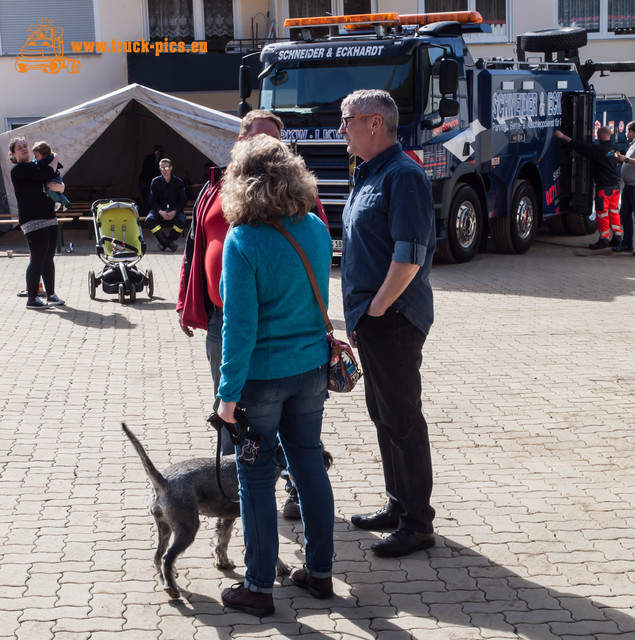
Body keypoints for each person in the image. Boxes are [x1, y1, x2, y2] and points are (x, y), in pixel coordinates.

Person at [176, 109, 328, 518]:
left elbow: (313, 267)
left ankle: (269, 513)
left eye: (273, 140)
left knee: (247, 420)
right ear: (239, 141)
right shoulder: (213, 189)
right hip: (223, 320)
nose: (265, 145)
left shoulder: (297, 208)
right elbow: (194, 249)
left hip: (266, 334)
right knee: (242, 427)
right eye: (258, 137)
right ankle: (232, 498)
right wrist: (185, 301)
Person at [216, 135, 334, 617]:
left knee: (256, 482)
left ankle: (259, 587)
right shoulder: (315, 228)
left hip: (262, 381)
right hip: (310, 371)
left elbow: (238, 326)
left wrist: (227, 395)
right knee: (308, 469)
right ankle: (321, 574)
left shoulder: (242, 240)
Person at [339, 89, 437, 557]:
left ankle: (418, 523)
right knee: (384, 416)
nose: (341, 129)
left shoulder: (404, 175)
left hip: (394, 318)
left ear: (375, 123)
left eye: (347, 120)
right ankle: (398, 506)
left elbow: (410, 255)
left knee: (403, 420)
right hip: (374, 318)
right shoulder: (368, 172)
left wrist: (377, 308)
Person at [8, 138, 66, 309]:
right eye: (19, 148)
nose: (24, 149)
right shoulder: (18, 169)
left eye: (25, 146)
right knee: (38, 258)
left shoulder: (36, 164)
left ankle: (51, 295)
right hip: (32, 219)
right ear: (13, 154)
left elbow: (54, 179)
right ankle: (32, 299)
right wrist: (54, 156)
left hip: (49, 216)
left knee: (49, 258)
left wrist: (61, 188)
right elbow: (46, 173)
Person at [555, 126, 622, 250]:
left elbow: (580, 146)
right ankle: (618, 236)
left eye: (597, 134)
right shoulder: (614, 148)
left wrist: (563, 137)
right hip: (616, 185)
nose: (597, 136)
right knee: (613, 211)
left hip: (604, 187)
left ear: (601, 134)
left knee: (602, 213)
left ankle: (604, 239)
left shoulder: (599, 150)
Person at [146, 158, 187, 251]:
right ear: (159, 169)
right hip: (159, 210)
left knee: (182, 220)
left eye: (166, 167)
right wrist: (160, 211)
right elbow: (152, 200)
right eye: (162, 168)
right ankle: (167, 242)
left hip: (174, 210)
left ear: (171, 168)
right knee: (149, 219)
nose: (164, 170)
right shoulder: (155, 182)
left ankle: (167, 242)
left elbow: (183, 200)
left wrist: (174, 211)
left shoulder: (178, 182)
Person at [31, 141, 72, 212]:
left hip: (54, 179)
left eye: (36, 156)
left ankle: (58, 202)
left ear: (44, 155)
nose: (34, 158)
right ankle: (66, 202)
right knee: (55, 192)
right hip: (55, 179)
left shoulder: (45, 161)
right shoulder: (48, 159)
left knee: (49, 190)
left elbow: (41, 168)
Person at [615, 120, 635, 254]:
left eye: (627, 131)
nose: (626, 133)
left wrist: (625, 160)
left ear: (632, 132)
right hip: (628, 187)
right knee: (624, 214)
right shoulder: (632, 145)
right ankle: (627, 243)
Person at [138, 144, 164, 216]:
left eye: (162, 151)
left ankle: (151, 216)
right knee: (146, 200)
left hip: (153, 183)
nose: (161, 153)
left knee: (153, 200)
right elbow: (148, 170)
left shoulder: (161, 161)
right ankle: (144, 216)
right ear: (155, 151)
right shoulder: (149, 158)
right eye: (160, 151)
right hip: (145, 182)